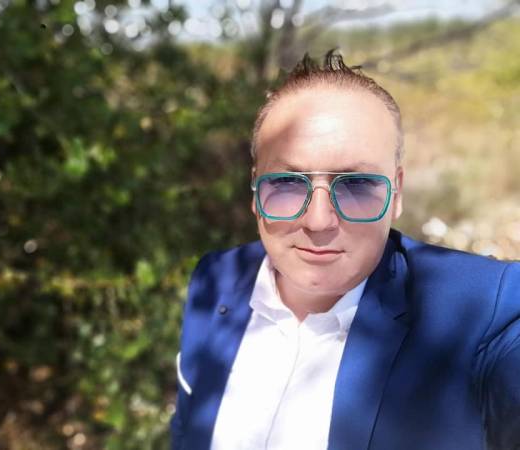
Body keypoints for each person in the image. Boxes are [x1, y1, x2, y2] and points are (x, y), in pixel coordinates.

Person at [170, 50, 520, 450]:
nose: (319, 221)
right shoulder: (216, 278)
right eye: (287, 183)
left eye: (356, 185)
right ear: (255, 191)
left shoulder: (485, 311)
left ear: (396, 194)